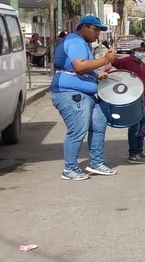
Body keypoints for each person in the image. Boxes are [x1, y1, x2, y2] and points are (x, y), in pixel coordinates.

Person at [50, 15, 117, 180]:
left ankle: (96, 163)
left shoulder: (81, 43)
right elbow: (79, 66)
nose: (97, 34)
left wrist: (96, 74)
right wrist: (104, 60)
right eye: (95, 30)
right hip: (70, 93)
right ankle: (70, 169)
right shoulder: (75, 41)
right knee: (77, 130)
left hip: (85, 93)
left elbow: (83, 68)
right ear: (84, 27)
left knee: (98, 124)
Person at [111, 39, 145, 164]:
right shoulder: (126, 61)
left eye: (142, 50)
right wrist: (110, 54)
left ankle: (140, 151)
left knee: (143, 126)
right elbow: (115, 62)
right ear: (132, 51)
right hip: (132, 101)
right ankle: (133, 153)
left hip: (142, 101)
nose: (141, 52)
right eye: (138, 50)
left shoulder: (142, 64)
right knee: (134, 127)